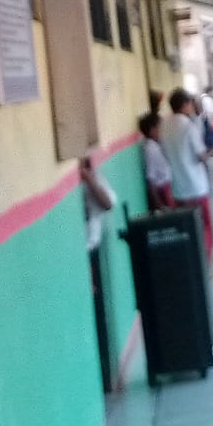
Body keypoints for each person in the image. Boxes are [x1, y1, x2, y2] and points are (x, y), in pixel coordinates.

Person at [79, 150, 118, 390]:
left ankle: (104, 376)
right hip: (78, 256)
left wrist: (88, 179)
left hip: (90, 252)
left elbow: (108, 203)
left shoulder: (93, 179)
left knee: (97, 312)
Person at [164, 87, 213, 259]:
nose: (192, 107)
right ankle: (204, 259)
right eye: (191, 104)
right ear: (185, 104)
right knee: (203, 226)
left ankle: (190, 259)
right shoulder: (188, 126)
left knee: (186, 228)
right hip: (196, 186)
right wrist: (211, 153)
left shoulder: (164, 125)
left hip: (178, 188)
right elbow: (201, 155)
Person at [139, 110, 174, 211]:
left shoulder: (154, 145)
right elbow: (151, 178)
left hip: (165, 188)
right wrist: (159, 204)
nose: (163, 130)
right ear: (152, 130)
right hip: (162, 191)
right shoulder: (150, 149)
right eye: (160, 127)